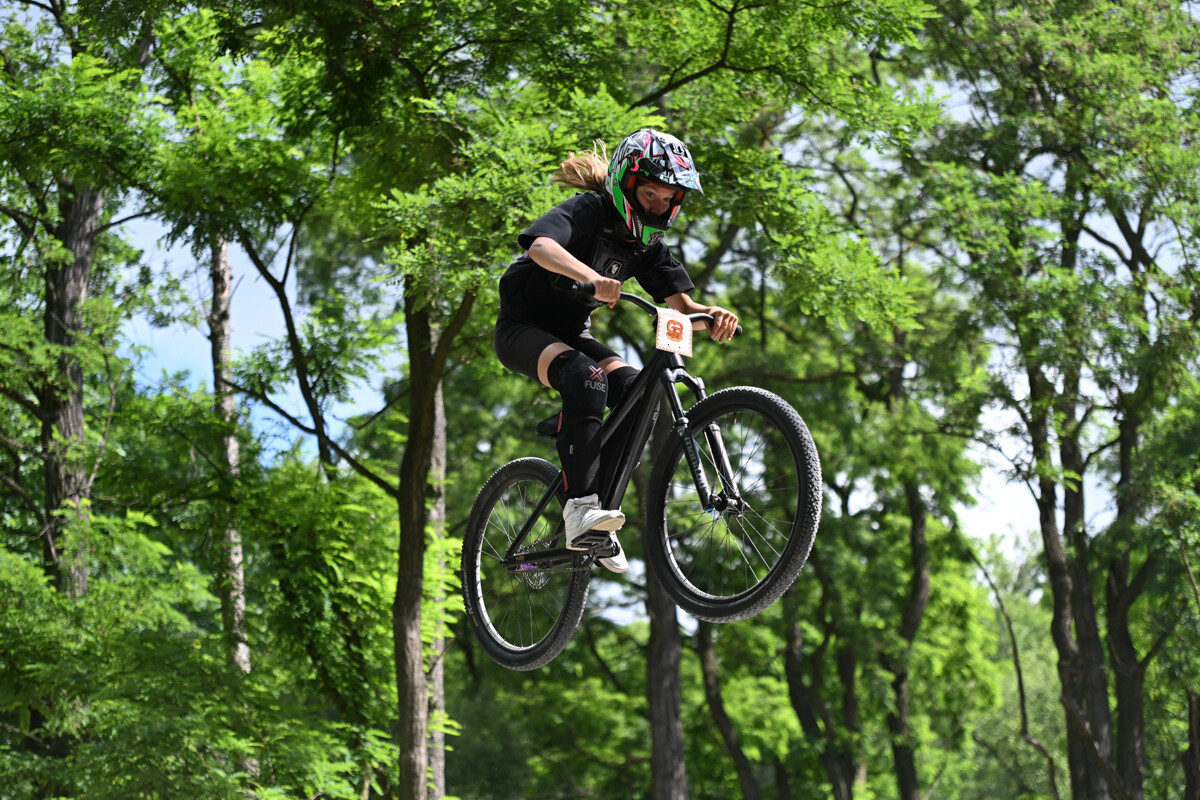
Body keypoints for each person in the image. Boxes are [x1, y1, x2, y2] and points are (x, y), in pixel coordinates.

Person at [493, 129, 739, 574]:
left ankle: (599, 519)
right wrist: (591, 275)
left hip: (571, 334)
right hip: (523, 330)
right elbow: (541, 245)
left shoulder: (648, 248)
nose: (657, 206)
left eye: (668, 200)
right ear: (627, 184)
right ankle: (580, 509)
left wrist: (713, 314)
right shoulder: (590, 210)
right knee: (588, 377)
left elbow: (684, 308)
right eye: (649, 193)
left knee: (634, 390)